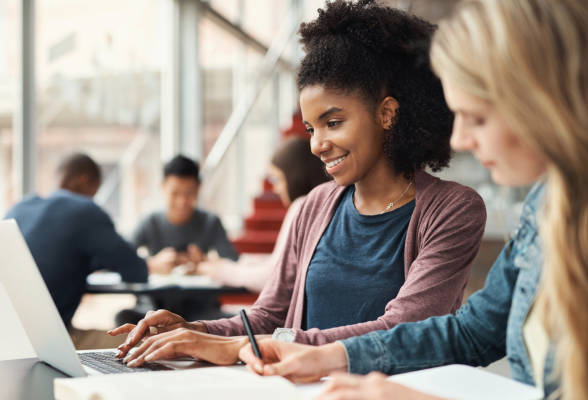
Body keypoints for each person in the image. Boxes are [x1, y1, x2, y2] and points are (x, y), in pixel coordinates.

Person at [238, 1, 588, 399]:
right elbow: (472, 332)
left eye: (478, 117)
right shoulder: (547, 208)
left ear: (551, 103)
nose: (460, 140)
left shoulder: (456, 208)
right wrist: (332, 356)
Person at [108, 0, 487, 368]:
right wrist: (193, 331)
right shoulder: (314, 206)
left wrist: (252, 346)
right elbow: (270, 315)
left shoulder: (453, 210)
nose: (317, 144)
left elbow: (403, 331)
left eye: (333, 122)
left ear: (386, 114)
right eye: (310, 128)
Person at [4, 153, 148, 349]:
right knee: (151, 343)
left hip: (7, 340)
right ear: (85, 180)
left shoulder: (18, 209)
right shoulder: (85, 211)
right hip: (48, 345)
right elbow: (137, 271)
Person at [198, 136, 330, 293]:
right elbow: (280, 263)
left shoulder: (302, 206)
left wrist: (220, 271)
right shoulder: (320, 204)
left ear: (295, 176)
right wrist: (237, 263)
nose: (275, 189)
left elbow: (273, 277)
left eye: (278, 179)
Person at [132, 154, 238, 273]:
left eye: (189, 193)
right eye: (175, 193)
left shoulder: (211, 222)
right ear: (163, 187)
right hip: (157, 291)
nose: (182, 202)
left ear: (198, 189)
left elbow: (233, 262)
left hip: (200, 290)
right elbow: (122, 258)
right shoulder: (149, 222)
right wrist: (153, 264)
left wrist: (204, 262)